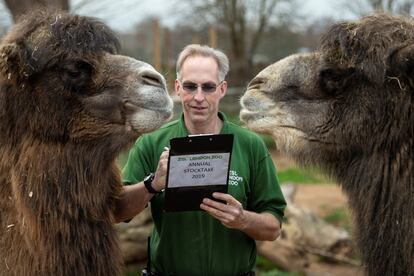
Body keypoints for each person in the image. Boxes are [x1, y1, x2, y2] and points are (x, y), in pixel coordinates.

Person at [114, 44, 286, 275]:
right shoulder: (151, 143)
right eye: (190, 86)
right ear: (177, 88)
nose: (198, 97)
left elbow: (273, 228)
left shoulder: (249, 145)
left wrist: (242, 219)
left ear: (222, 89)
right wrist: (153, 183)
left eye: (208, 87)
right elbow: (117, 210)